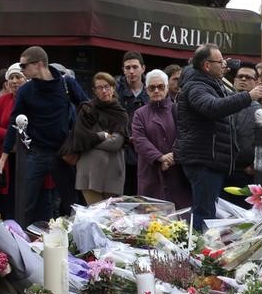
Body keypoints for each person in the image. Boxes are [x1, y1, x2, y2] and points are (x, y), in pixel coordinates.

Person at [175, 43, 262, 229]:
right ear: (206, 65)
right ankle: (197, 252)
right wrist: (248, 96)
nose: (225, 66)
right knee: (204, 213)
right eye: (220, 62)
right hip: (203, 160)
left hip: (212, 161)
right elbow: (212, 107)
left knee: (209, 211)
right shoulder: (197, 86)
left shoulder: (209, 83)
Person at [0, 46, 89, 223]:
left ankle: (78, 244)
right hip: (36, 153)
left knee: (72, 204)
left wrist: (84, 139)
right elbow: (13, 124)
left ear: (39, 64)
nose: (21, 70)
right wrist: (3, 157)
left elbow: (88, 108)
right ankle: (21, 245)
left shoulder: (67, 84)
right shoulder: (25, 91)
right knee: (25, 205)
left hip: (63, 153)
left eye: (24, 66)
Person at [65, 73, 129, 205]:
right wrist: (104, 135)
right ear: (94, 90)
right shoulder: (86, 109)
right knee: (96, 216)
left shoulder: (121, 113)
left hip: (113, 170)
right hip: (89, 171)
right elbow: (81, 137)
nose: (104, 91)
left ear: (113, 87)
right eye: (99, 88)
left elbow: (115, 143)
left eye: (107, 86)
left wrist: (90, 140)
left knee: (110, 219)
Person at [132, 69, 191, 209]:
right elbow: (139, 140)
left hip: (176, 172)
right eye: (152, 87)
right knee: (151, 217)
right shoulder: (140, 114)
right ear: (146, 90)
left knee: (179, 218)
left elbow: (185, 135)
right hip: (151, 171)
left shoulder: (178, 110)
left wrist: (171, 157)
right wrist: (160, 158)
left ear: (167, 87)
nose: (156, 90)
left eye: (161, 86)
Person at [0, 63, 28, 219]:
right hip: (7, 156)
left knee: (27, 196)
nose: (14, 81)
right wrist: (13, 135)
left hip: (28, 156)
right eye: (11, 78)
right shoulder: (2, 100)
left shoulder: (31, 100)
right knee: (8, 199)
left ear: (26, 80)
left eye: (18, 77)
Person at [224, 64, 262, 207]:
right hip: (223, 169)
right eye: (240, 76)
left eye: (248, 77)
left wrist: (256, 165)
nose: (243, 79)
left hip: (246, 172)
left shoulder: (261, 108)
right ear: (234, 80)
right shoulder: (223, 103)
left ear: (256, 83)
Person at [116, 51, 149, 196]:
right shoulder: (115, 92)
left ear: (143, 68)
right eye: (127, 68)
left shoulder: (152, 90)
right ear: (123, 70)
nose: (131, 71)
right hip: (121, 153)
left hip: (146, 152)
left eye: (135, 67)